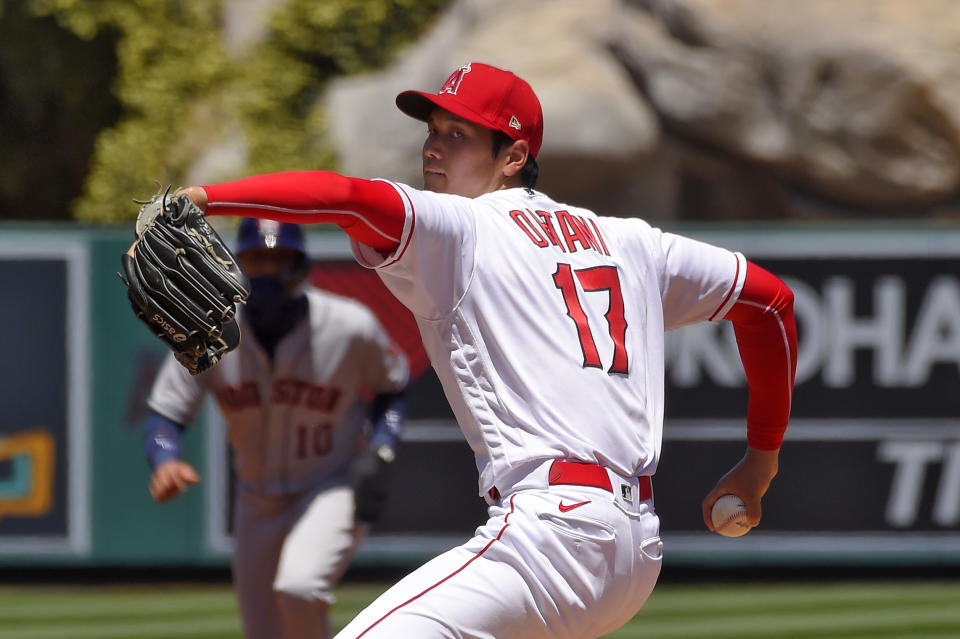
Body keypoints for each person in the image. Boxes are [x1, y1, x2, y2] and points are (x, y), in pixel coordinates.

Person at [171, 62, 797, 638]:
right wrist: (760, 465)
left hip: (552, 534)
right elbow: (771, 303)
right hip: (633, 551)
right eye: (432, 130)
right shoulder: (631, 242)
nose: (433, 146)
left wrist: (201, 199)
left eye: (459, 134)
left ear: (514, 154)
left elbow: (346, 196)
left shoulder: (461, 226)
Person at [141, 218, 409, 639]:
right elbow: (166, 415)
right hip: (256, 498)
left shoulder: (348, 326)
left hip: (328, 485)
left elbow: (393, 387)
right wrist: (164, 458)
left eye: (279, 258)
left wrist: (383, 449)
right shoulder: (205, 333)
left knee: (299, 587)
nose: (267, 270)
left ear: (301, 265)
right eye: (255, 259)